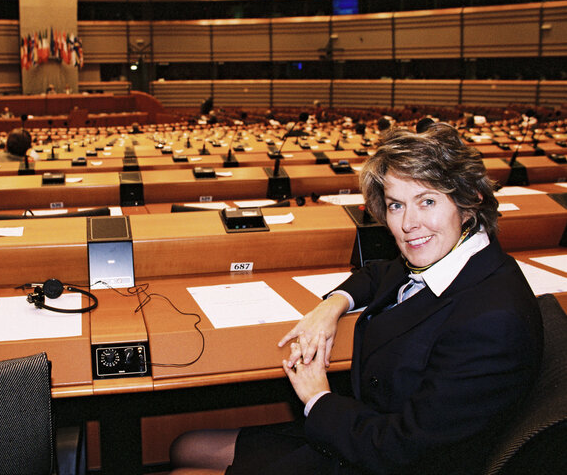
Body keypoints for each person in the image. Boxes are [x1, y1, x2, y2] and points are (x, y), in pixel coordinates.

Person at [170, 123, 543, 475]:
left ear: (470, 200)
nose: (407, 224)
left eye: (427, 201)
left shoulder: (492, 320)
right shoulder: (456, 255)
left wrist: (317, 397)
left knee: (185, 465)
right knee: (185, 446)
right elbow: (379, 272)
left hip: (380, 455)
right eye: (396, 205)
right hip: (363, 426)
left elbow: (404, 449)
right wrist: (331, 306)